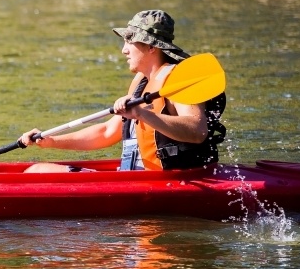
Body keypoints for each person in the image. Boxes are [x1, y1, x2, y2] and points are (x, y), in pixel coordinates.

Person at [19, 10, 226, 173]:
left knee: (37, 171)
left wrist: (142, 113)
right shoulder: (140, 82)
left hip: (170, 180)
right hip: (134, 176)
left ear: (151, 47)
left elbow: (197, 131)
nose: (124, 50)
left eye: (129, 41)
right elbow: (107, 132)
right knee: (37, 170)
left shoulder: (178, 79)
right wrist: (51, 141)